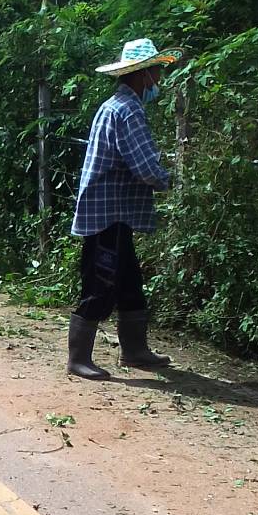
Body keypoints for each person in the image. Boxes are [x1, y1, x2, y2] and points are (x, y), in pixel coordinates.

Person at [68, 37, 179, 380]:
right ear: (143, 74)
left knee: (130, 281)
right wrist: (169, 179)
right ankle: (78, 358)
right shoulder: (127, 111)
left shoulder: (115, 106)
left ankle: (134, 350)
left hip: (113, 211)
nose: (159, 79)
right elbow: (145, 167)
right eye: (157, 72)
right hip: (108, 213)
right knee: (101, 283)